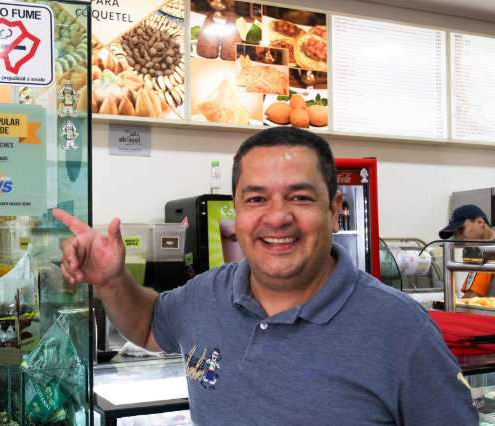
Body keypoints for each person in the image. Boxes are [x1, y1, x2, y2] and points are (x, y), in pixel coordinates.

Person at [53, 127, 477, 425]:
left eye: (300, 197)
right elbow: (148, 325)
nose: (277, 217)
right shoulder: (208, 293)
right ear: (236, 214)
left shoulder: (401, 330)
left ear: (334, 211)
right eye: (256, 199)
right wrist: (112, 281)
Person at [439, 204, 495, 298]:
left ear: (480, 222)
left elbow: (471, 298)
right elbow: (471, 298)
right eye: (456, 234)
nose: (460, 238)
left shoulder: (488, 253)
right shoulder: (480, 253)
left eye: (461, 229)